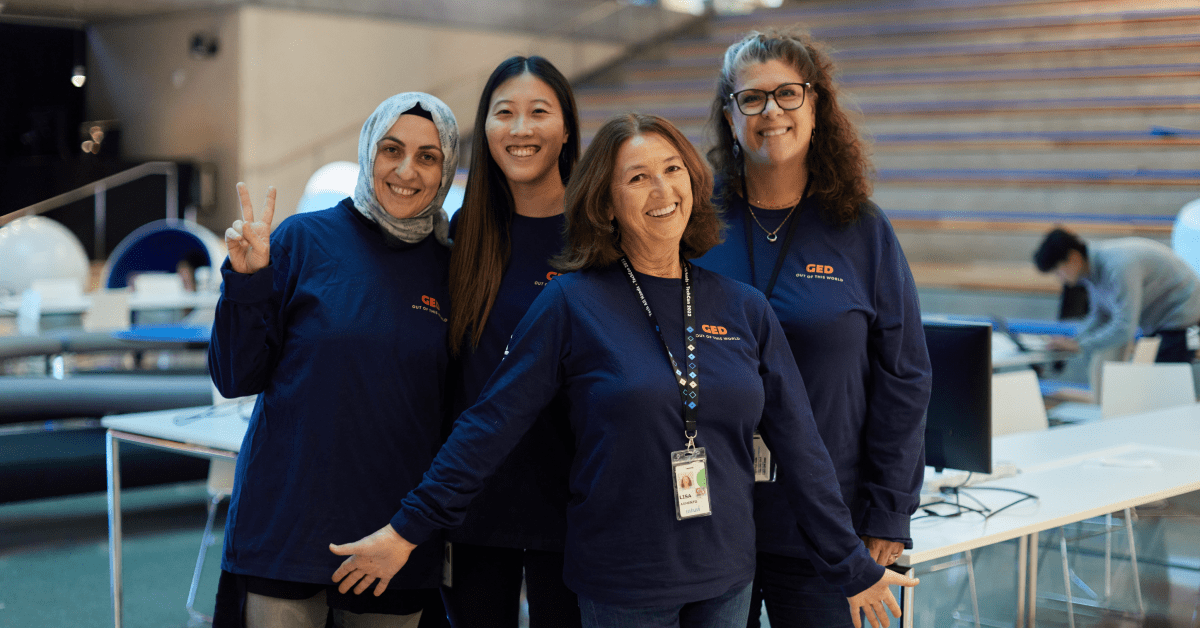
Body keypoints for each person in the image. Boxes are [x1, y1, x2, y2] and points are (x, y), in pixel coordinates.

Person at [327, 113, 918, 628]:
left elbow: (802, 448)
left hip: (725, 577)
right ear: (606, 204)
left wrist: (850, 564)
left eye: (673, 170)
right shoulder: (571, 304)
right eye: (637, 178)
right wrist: (409, 529)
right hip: (622, 582)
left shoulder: (742, 307)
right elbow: (489, 426)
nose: (662, 190)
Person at [692, 28, 932, 628]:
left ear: (816, 104)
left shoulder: (862, 230)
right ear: (730, 115)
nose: (770, 111)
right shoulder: (695, 227)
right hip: (711, 525)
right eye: (751, 98)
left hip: (831, 528)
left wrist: (888, 512)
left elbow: (904, 377)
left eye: (788, 94)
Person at [208, 92, 458, 628]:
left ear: (447, 169)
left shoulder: (455, 268)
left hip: (393, 540)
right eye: (392, 149)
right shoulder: (302, 240)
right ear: (369, 153)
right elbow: (234, 377)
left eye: (427, 156)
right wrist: (247, 282)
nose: (406, 170)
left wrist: (417, 531)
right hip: (285, 529)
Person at [441, 56, 582, 628]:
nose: (521, 129)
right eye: (505, 113)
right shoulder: (461, 234)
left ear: (566, 128)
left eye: (538, 112)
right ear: (486, 128)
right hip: (474, 503)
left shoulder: (598, 236)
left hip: (574, 503)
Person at [1034, 227, 1200, 364]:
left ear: (1073, 258)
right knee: (1153, 382)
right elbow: (1100, 317)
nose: (1060, 279)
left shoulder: (1118, 266)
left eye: (1058, 271)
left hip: (1182, 311)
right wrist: (1071, 340)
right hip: (1161, 320)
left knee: (1163, 383)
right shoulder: (1090, 271)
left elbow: (1124, 326)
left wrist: (1079, 345)